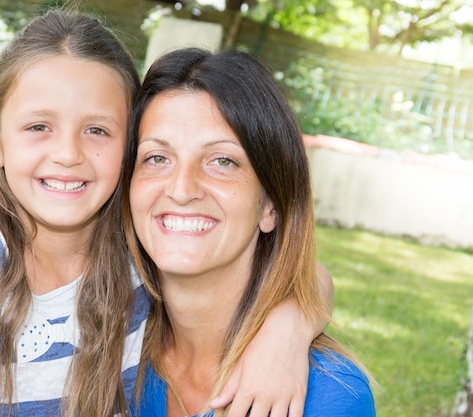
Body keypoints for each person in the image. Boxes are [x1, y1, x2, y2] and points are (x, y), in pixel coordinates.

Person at [0, 8, 333, 417]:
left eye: (97, 130)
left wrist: (285, 332)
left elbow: (301, 270)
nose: (67, 154)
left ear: (128, 150)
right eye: (39, 126)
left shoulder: (133, 260)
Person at [124, 47, 376, 417]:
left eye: (222, 161)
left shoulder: (327, 398)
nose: (181, 188)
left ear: (270, 205)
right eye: (157, 158)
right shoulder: (107, 351)